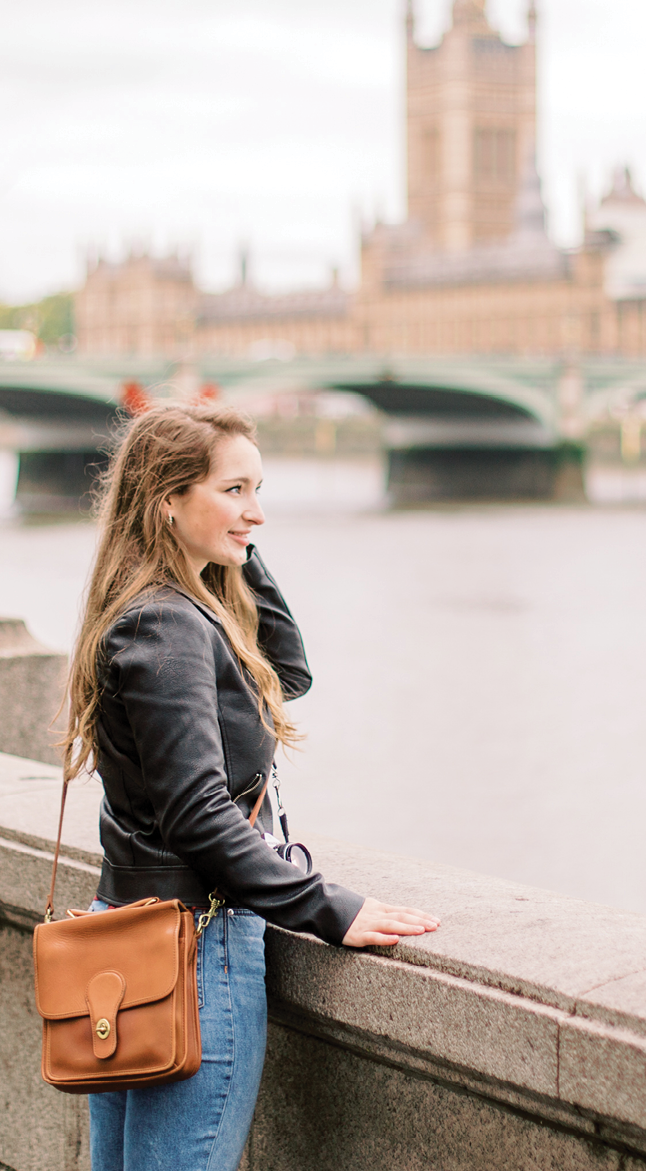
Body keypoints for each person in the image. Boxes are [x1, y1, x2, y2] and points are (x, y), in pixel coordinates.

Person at [63, 402, 439, 1171]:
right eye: (235, 490)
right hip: (192, 949)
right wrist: (332, 908)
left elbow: (287, 673)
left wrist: (234, 543)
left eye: (258, 490)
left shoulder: (155, 610)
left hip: (131, 934)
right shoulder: (167, 626)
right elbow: (200, 814)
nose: (257, 511)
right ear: (168, 499)